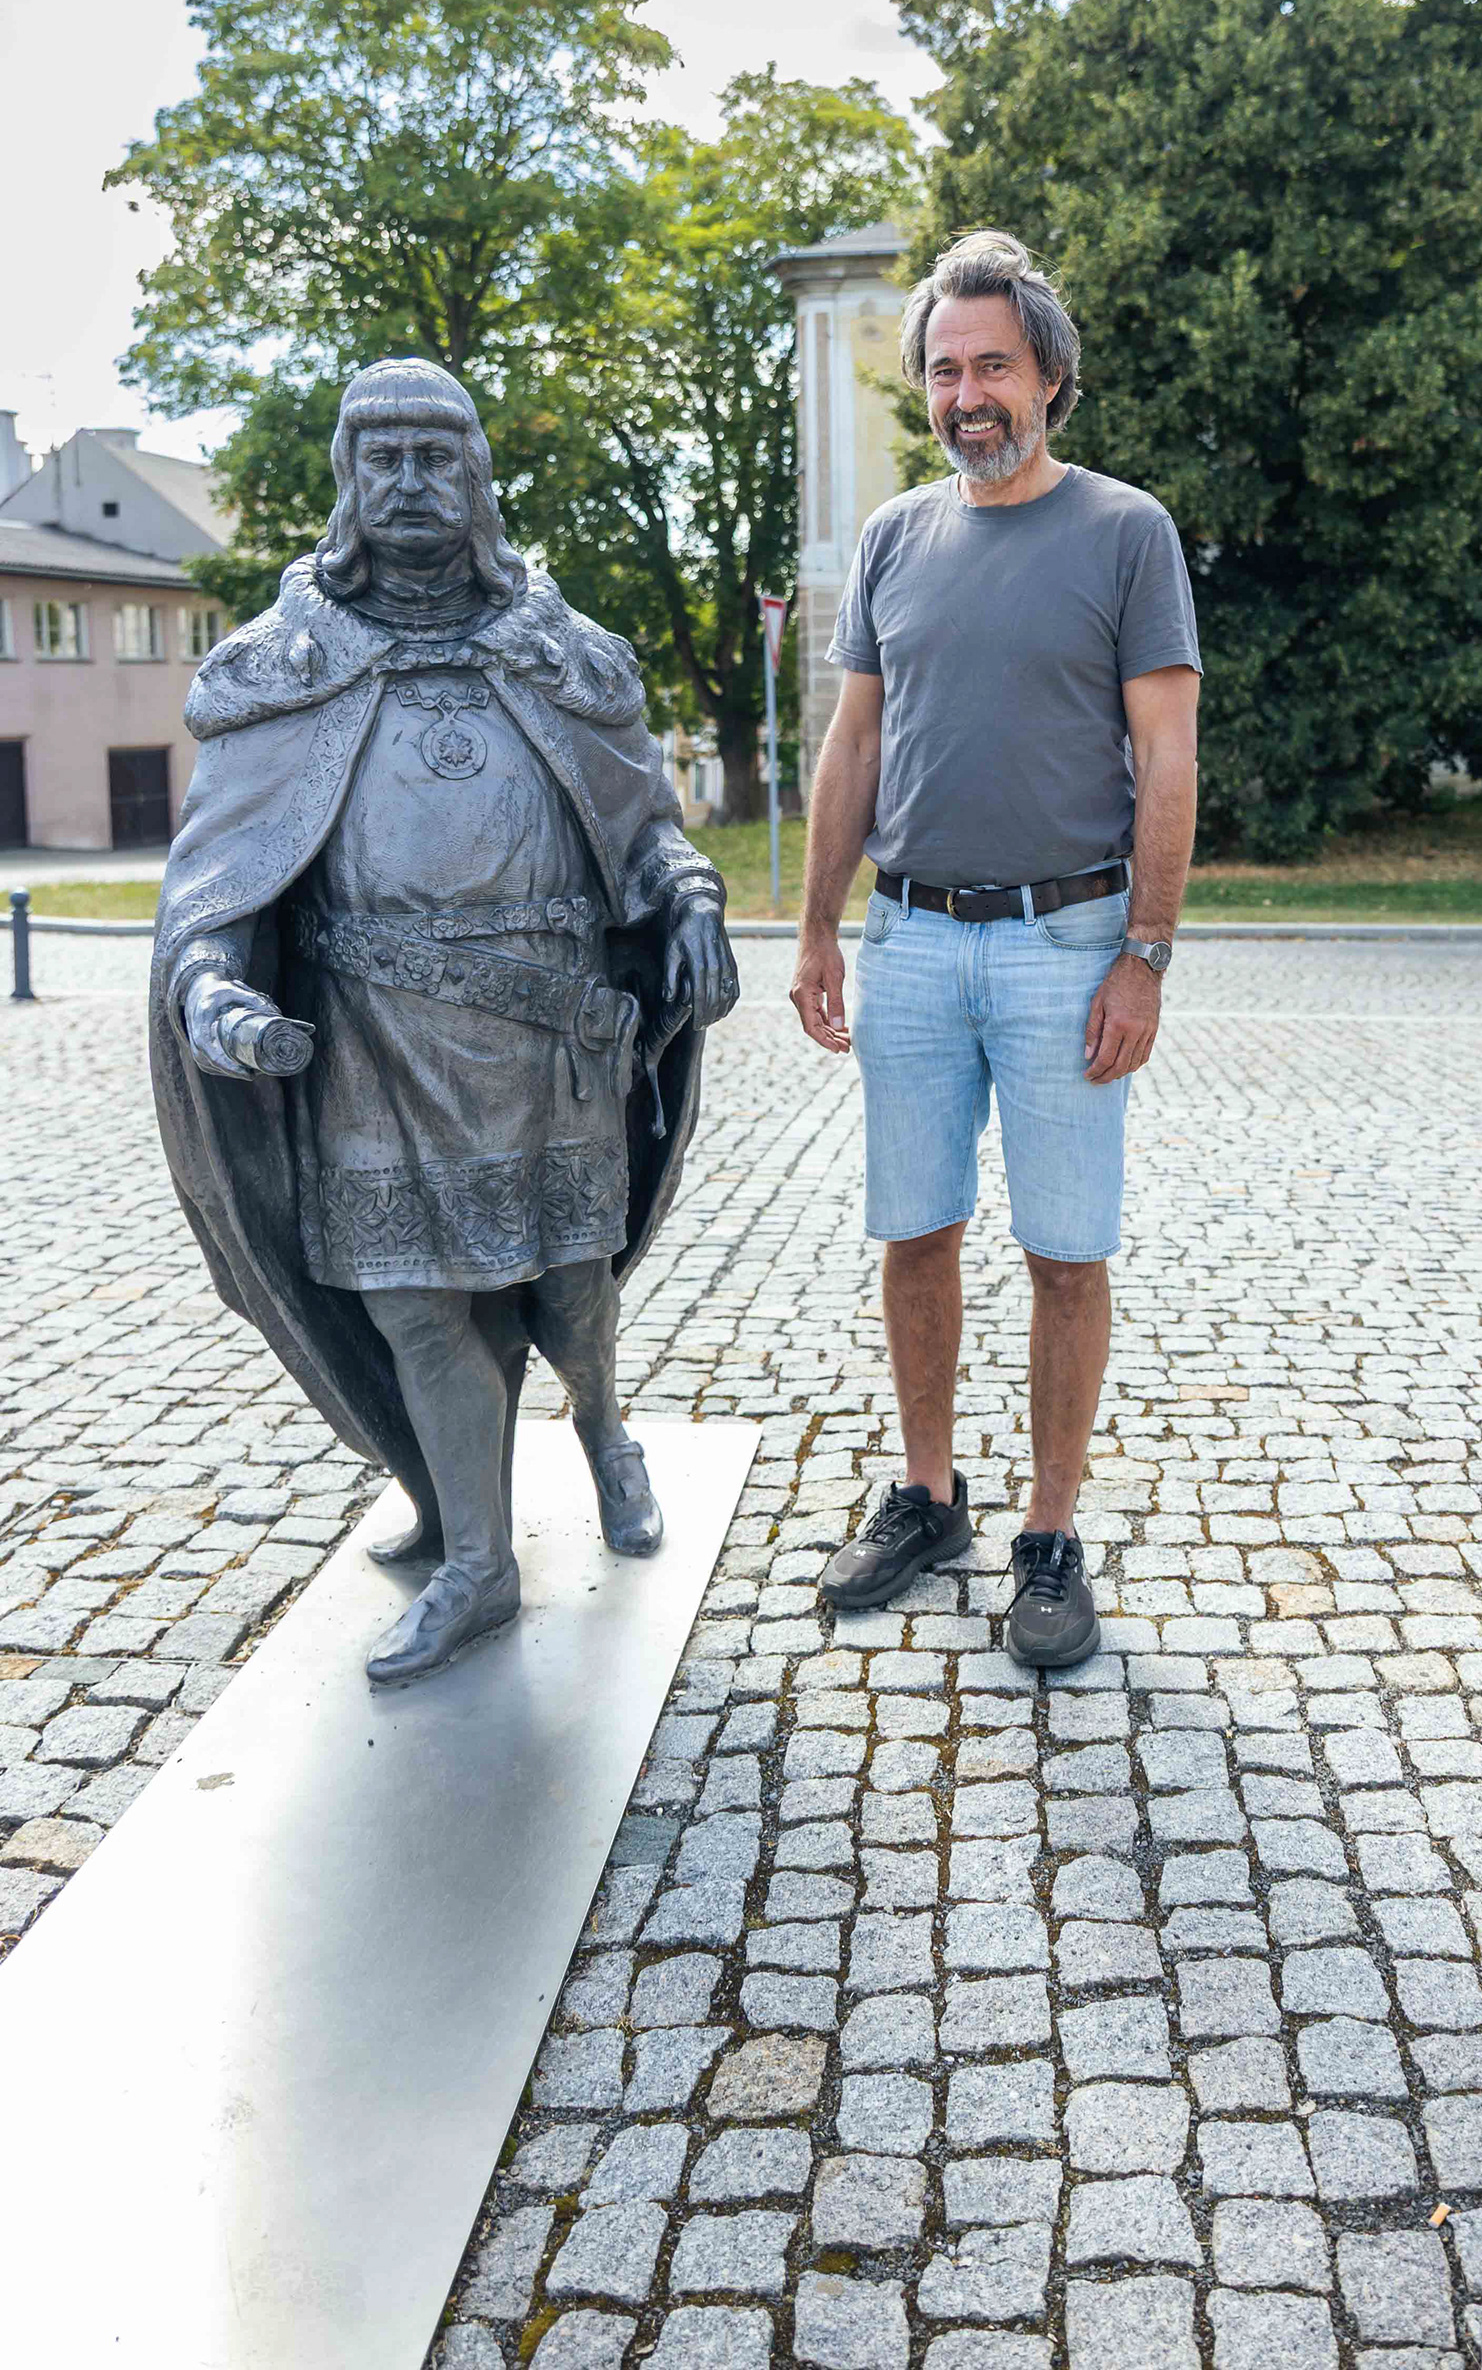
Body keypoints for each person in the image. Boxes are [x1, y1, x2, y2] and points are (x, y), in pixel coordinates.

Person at [151, 358, 738, 1685]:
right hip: (370, 1047)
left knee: (569, 1296)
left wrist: (692, 899)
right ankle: (477, 1558)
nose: (410, 482)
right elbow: (218, 880)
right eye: (383, 458)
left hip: (546, 1044)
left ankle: (603, 1429)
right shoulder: (281, 672)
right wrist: (213, 987)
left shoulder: (561, 655)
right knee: (415, 1308)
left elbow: (646, 832)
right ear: (347, 480)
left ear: (477, 478)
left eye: (436, 456)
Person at [790, 231, 1200, 1666]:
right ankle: (927, 1497)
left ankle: (1050, 1533)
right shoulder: (893, 539)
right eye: (945, 371)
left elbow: (1168, 757)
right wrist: (819, 924)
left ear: (1051, 378)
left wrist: (1146, 953)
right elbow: (854, 744)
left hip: (1067, 944)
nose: (967, 395)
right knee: (915, 1231)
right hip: (909, 939)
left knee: (1065, 1252)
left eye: (994, 367)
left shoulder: (1126, 533)